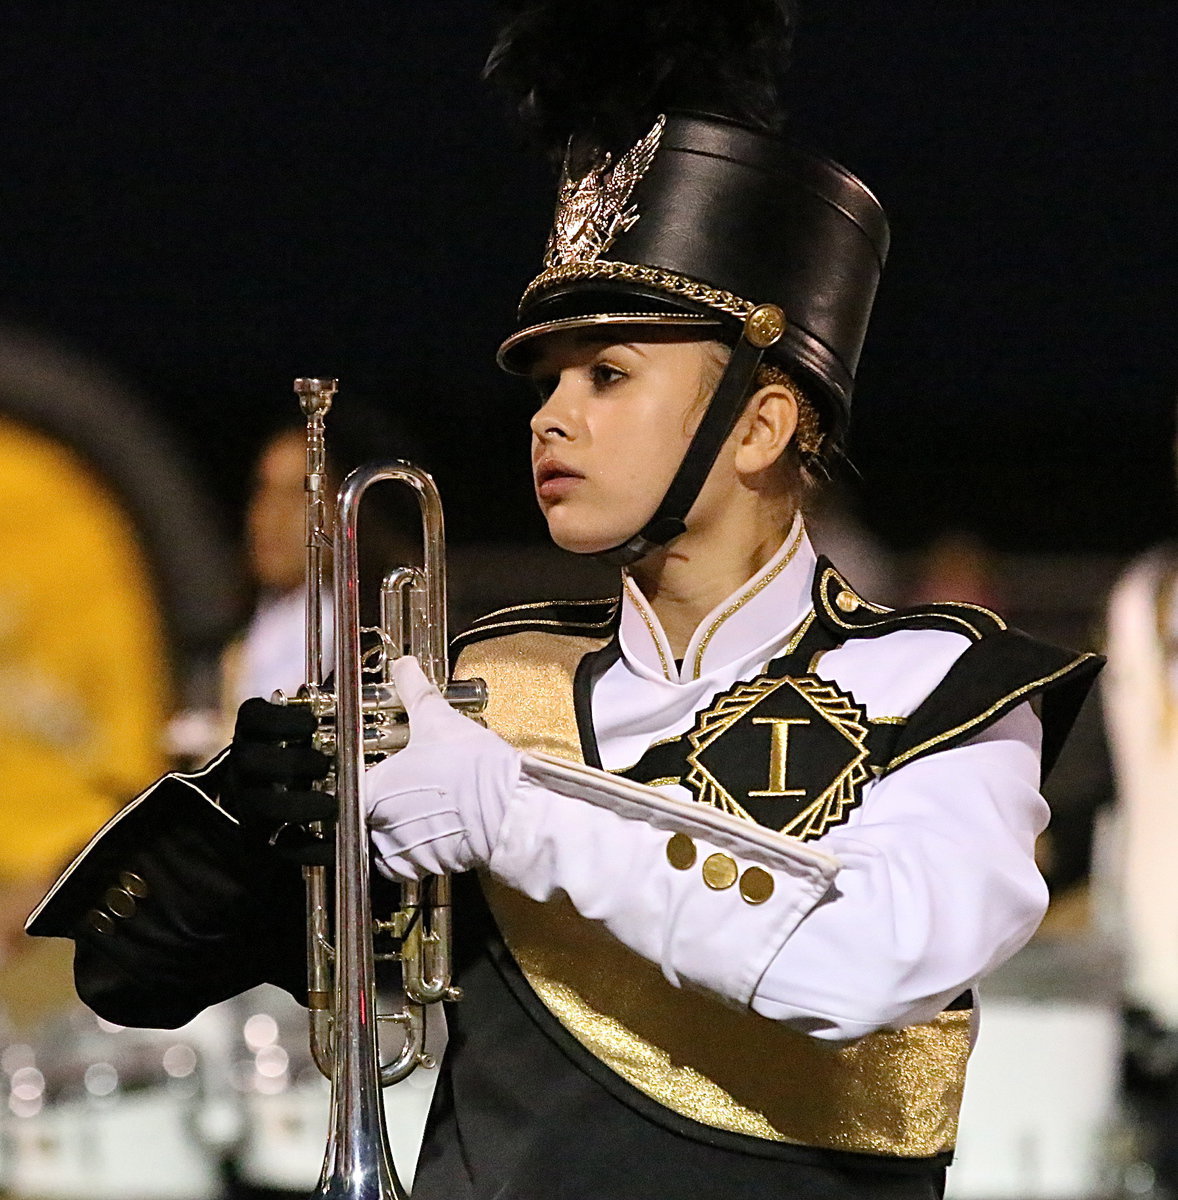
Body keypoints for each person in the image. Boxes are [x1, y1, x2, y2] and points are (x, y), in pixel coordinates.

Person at [28, 3, 1103, 1197]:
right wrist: (248, 834)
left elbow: (863, 961)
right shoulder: (484, 684)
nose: (550, 415)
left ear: (759, 423)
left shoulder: (944, 686)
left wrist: (509, 803)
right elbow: (128, 973)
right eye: (546, 379)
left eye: (607, 374)